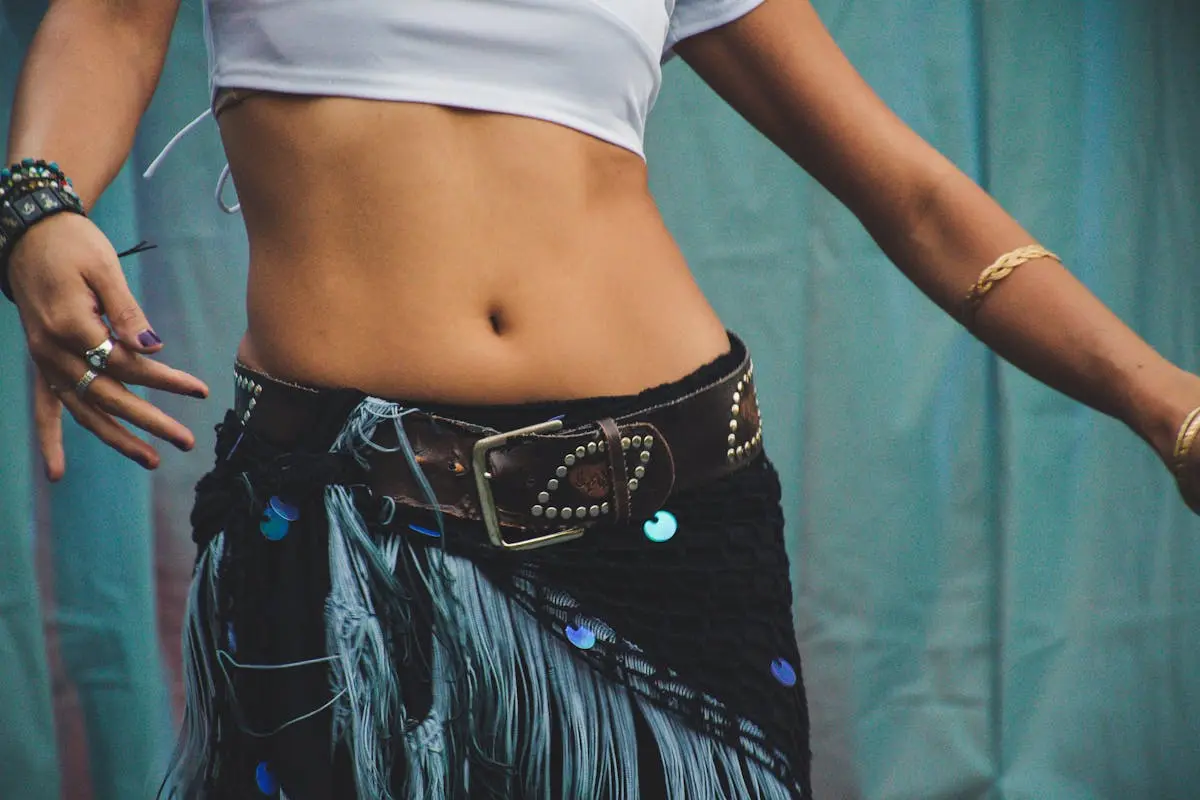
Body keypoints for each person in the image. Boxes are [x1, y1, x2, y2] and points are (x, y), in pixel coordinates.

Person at [5, 0, 1200, 797]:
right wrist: (37, 205)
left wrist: (1173, 407)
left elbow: (917, 198)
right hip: (351, 534)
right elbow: (107, 19)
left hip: (674, 525)